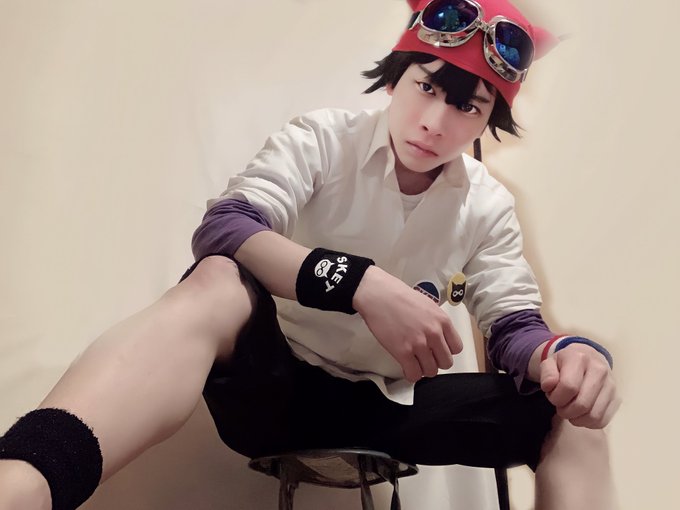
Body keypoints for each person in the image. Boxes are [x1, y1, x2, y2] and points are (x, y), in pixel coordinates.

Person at [0, 1, 620, 509]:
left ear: (488, 121)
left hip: (391, 409)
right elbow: (225, 226)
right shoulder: (323, 139)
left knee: (574, 408)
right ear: (394, 78)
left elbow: (513, 327)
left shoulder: (487, 204)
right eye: (426, 86)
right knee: (218, 279)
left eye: (468, 106)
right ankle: (25, 483)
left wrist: (565, 357)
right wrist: (360, 284)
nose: (435, 121)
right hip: (274, 389)